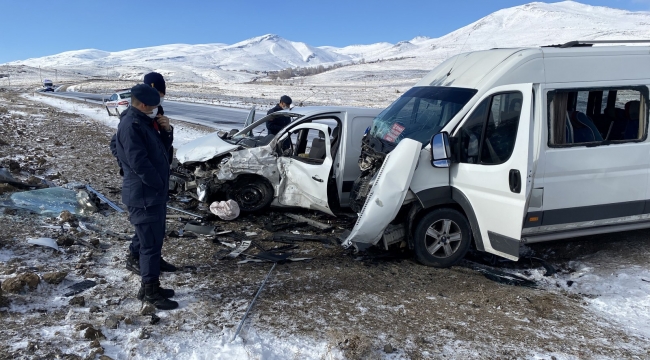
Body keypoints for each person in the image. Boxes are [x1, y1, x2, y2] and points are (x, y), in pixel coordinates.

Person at [114, 84, 178, 310]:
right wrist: (159, 184)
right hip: (144, 195)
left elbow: (162, 151)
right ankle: (149, 291)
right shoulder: (132, 125)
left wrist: (166, 131)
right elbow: (138, 163)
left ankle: (150, 286)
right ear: (142, 105)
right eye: (153, 106)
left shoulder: (143, 121)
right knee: (149, 245)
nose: (156, 110)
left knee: (153, 240)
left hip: (153, 194)